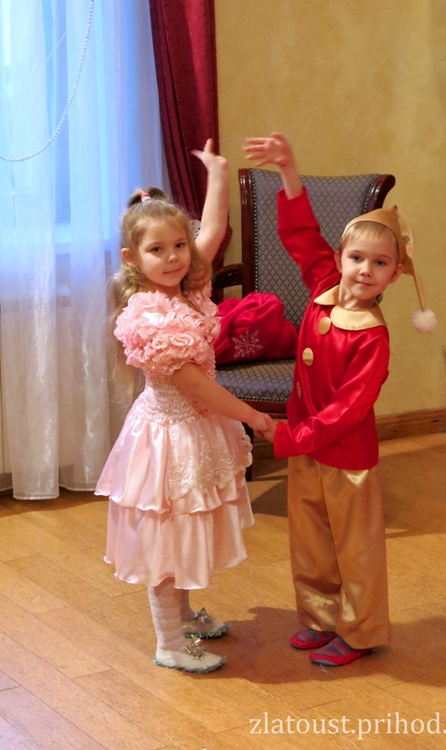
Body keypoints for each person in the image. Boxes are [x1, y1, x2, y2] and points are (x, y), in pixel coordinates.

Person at [244, 133, 436, 667]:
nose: (364, 270)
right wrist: (289, 170)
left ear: (395, 274)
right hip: (309, 448)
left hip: (345, 457)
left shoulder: (372, 337)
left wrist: (291, 436)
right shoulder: (323, 285)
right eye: (356, 258)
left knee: (356, 548)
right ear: (339, 258)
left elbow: (348, 411)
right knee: (309, 538)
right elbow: (299, 233)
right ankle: (320, 618)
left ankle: (361, 630)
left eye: (380, 263)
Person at [96, 140, 272, 674]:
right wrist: (252, 416)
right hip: (169, 436)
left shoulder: (187, 290)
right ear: (133, 259)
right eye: (158, 250)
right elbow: (197, 389)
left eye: (179, 245)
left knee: (186, 530)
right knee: (167, 540)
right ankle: (169, 643)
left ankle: (186, 616)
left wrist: (217, 173)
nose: (174, 256)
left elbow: (212, 232)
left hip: (194, 429)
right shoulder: (149, 316)